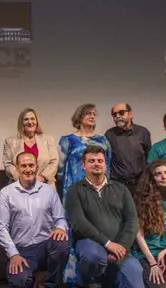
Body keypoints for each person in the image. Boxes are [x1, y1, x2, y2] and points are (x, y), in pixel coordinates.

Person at [65, 146, 142, 288]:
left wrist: (121, 247)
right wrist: (107, 243)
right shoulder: (74, 190)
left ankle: (109, 280)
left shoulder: (121, 189)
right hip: (89, 245)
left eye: (100, 160)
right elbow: (79, 223)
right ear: (84, 165)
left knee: (135, 279)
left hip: (120, 247)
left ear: (105, 164)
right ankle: (88, 282)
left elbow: (132, 221)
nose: (96, 163)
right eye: (91, 161)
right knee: (95, 257)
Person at [57, 103, 112, 286]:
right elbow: (60, 170)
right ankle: (73, 278)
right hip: (73, 191)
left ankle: (95, 276)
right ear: (79, 116)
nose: (92, 117)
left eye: (94, 114)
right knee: (74, 230)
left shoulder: (103, 140)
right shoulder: (68, 140)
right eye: (88, 113)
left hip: (97, 192)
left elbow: (108, 167)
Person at [0, 152, 69, 288]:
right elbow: (1, 228)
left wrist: (60, 227)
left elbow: (60, 218)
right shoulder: (6, 193)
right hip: (22, 250)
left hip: (46, 246)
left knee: (61, 243)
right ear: (17, 168)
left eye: (31, 165)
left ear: (36, 167)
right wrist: (13, 255)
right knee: (20, 281)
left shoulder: (49, 191)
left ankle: (50, 284)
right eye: (23, 166)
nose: (28, 169)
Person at [105, 102, 152, 195]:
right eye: (114, 114)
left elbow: (149, 158)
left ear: (131, 114)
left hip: (140, 185)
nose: (117, 116)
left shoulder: (143, 132)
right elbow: (107, 160)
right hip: (118, 186)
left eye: (121, 113)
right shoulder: (109, 135)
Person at [3, 108, 58, 185]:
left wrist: (42, 177)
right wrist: (22, 178)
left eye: (32, 119)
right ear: (21, 122)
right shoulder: (10, 141)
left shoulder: (48, 140)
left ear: (37, 121)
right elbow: (7, 164)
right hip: (18, 184)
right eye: (26, 119)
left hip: (45, 184)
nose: (30, 122)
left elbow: (54, 161)